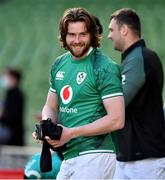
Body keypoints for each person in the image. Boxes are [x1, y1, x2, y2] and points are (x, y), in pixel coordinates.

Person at [33, 7, 125, 179]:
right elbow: (51, 106)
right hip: (69, 155)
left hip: (96, 154)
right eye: (71, 34)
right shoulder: (59, 64)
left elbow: (117, 119)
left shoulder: (104, 67)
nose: (77, 40)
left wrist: (71, 133)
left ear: (92, 34)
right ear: (64, 36)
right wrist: (47, 126)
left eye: (82, 34)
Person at [108, 8, 165, 179]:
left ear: (124, 29)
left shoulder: (142, 57)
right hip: (128, 156)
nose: (109, 35)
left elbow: (118, 103)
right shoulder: (133, 59)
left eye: (112, 30)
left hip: (146, 160)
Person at [0, 67, 25, 146]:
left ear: (13, 78)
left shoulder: (17, 95)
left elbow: (11, 118)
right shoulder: (9, 93)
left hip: (13, 134)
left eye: (7, 76)